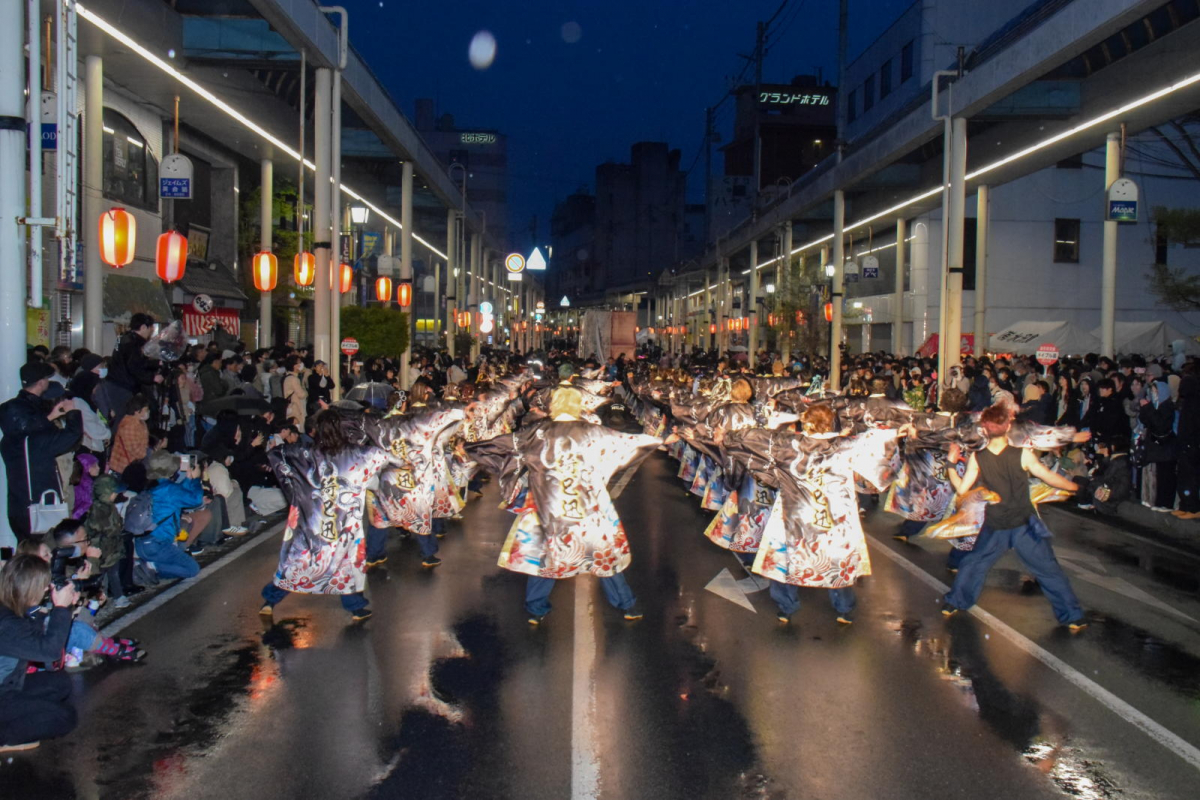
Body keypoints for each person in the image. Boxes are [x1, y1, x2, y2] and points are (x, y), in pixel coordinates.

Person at [942, 404, 1087, 629]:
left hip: (996, 523)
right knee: (1048, 570)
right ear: (1008, 427)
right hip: (1024, 523)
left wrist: (951, 463)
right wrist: (1074, 487)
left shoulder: (978, 458)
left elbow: (961, 489)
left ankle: (954, 603)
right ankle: (1073, 617)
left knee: (973, 563)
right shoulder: (1023, 454)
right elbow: (1048, 477)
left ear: (985, 430)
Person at [0, 555, 78, 752]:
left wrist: (60, 610)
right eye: (43, 585)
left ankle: (22, 714)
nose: (46, 590)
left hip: (9, 684)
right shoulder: (7, 625)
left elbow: (35, 641)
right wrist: (61, 609)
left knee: (60, 683)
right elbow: (49, 652)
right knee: (65, 717)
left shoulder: (9, 608)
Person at [0, 362, 83, 540]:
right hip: (40, 508)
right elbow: (72, 435)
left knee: (26, 549)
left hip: (18, 506)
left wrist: (50, 416)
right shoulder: (39, 442)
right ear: (40, 382)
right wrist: (73, 412)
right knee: (44, 550)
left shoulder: (9, 441)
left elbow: (31, 427)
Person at [134, 450, 204, 580]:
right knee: (192, 569)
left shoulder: (151, 487)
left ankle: (150, 567)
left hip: (143, 543)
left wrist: (188, 478)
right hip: (158, 544)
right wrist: (196, 479)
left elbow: (178, 494)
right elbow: (196, 499)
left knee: (178, 564)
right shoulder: (169, 489)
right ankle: (151, 566)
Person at [1077, 436, 1132, 515]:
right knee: (1084, 481)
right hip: (1114, 491)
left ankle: (1089, 503)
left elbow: (1105, 476)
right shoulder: (1121, 459)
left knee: (1086, 483)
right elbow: (1105, 473)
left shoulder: (1118, 461)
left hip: (1113, 495)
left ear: (1113, 447)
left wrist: (1093, 468)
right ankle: (1088, 502)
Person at [108, 395, 152, 476]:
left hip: (131, 465)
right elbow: (135, 450)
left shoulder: (140, 422)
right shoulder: (129, 426)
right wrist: (147, 453)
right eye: (146, 410)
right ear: (137, 411)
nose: (148, 412)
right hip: (123, 467)